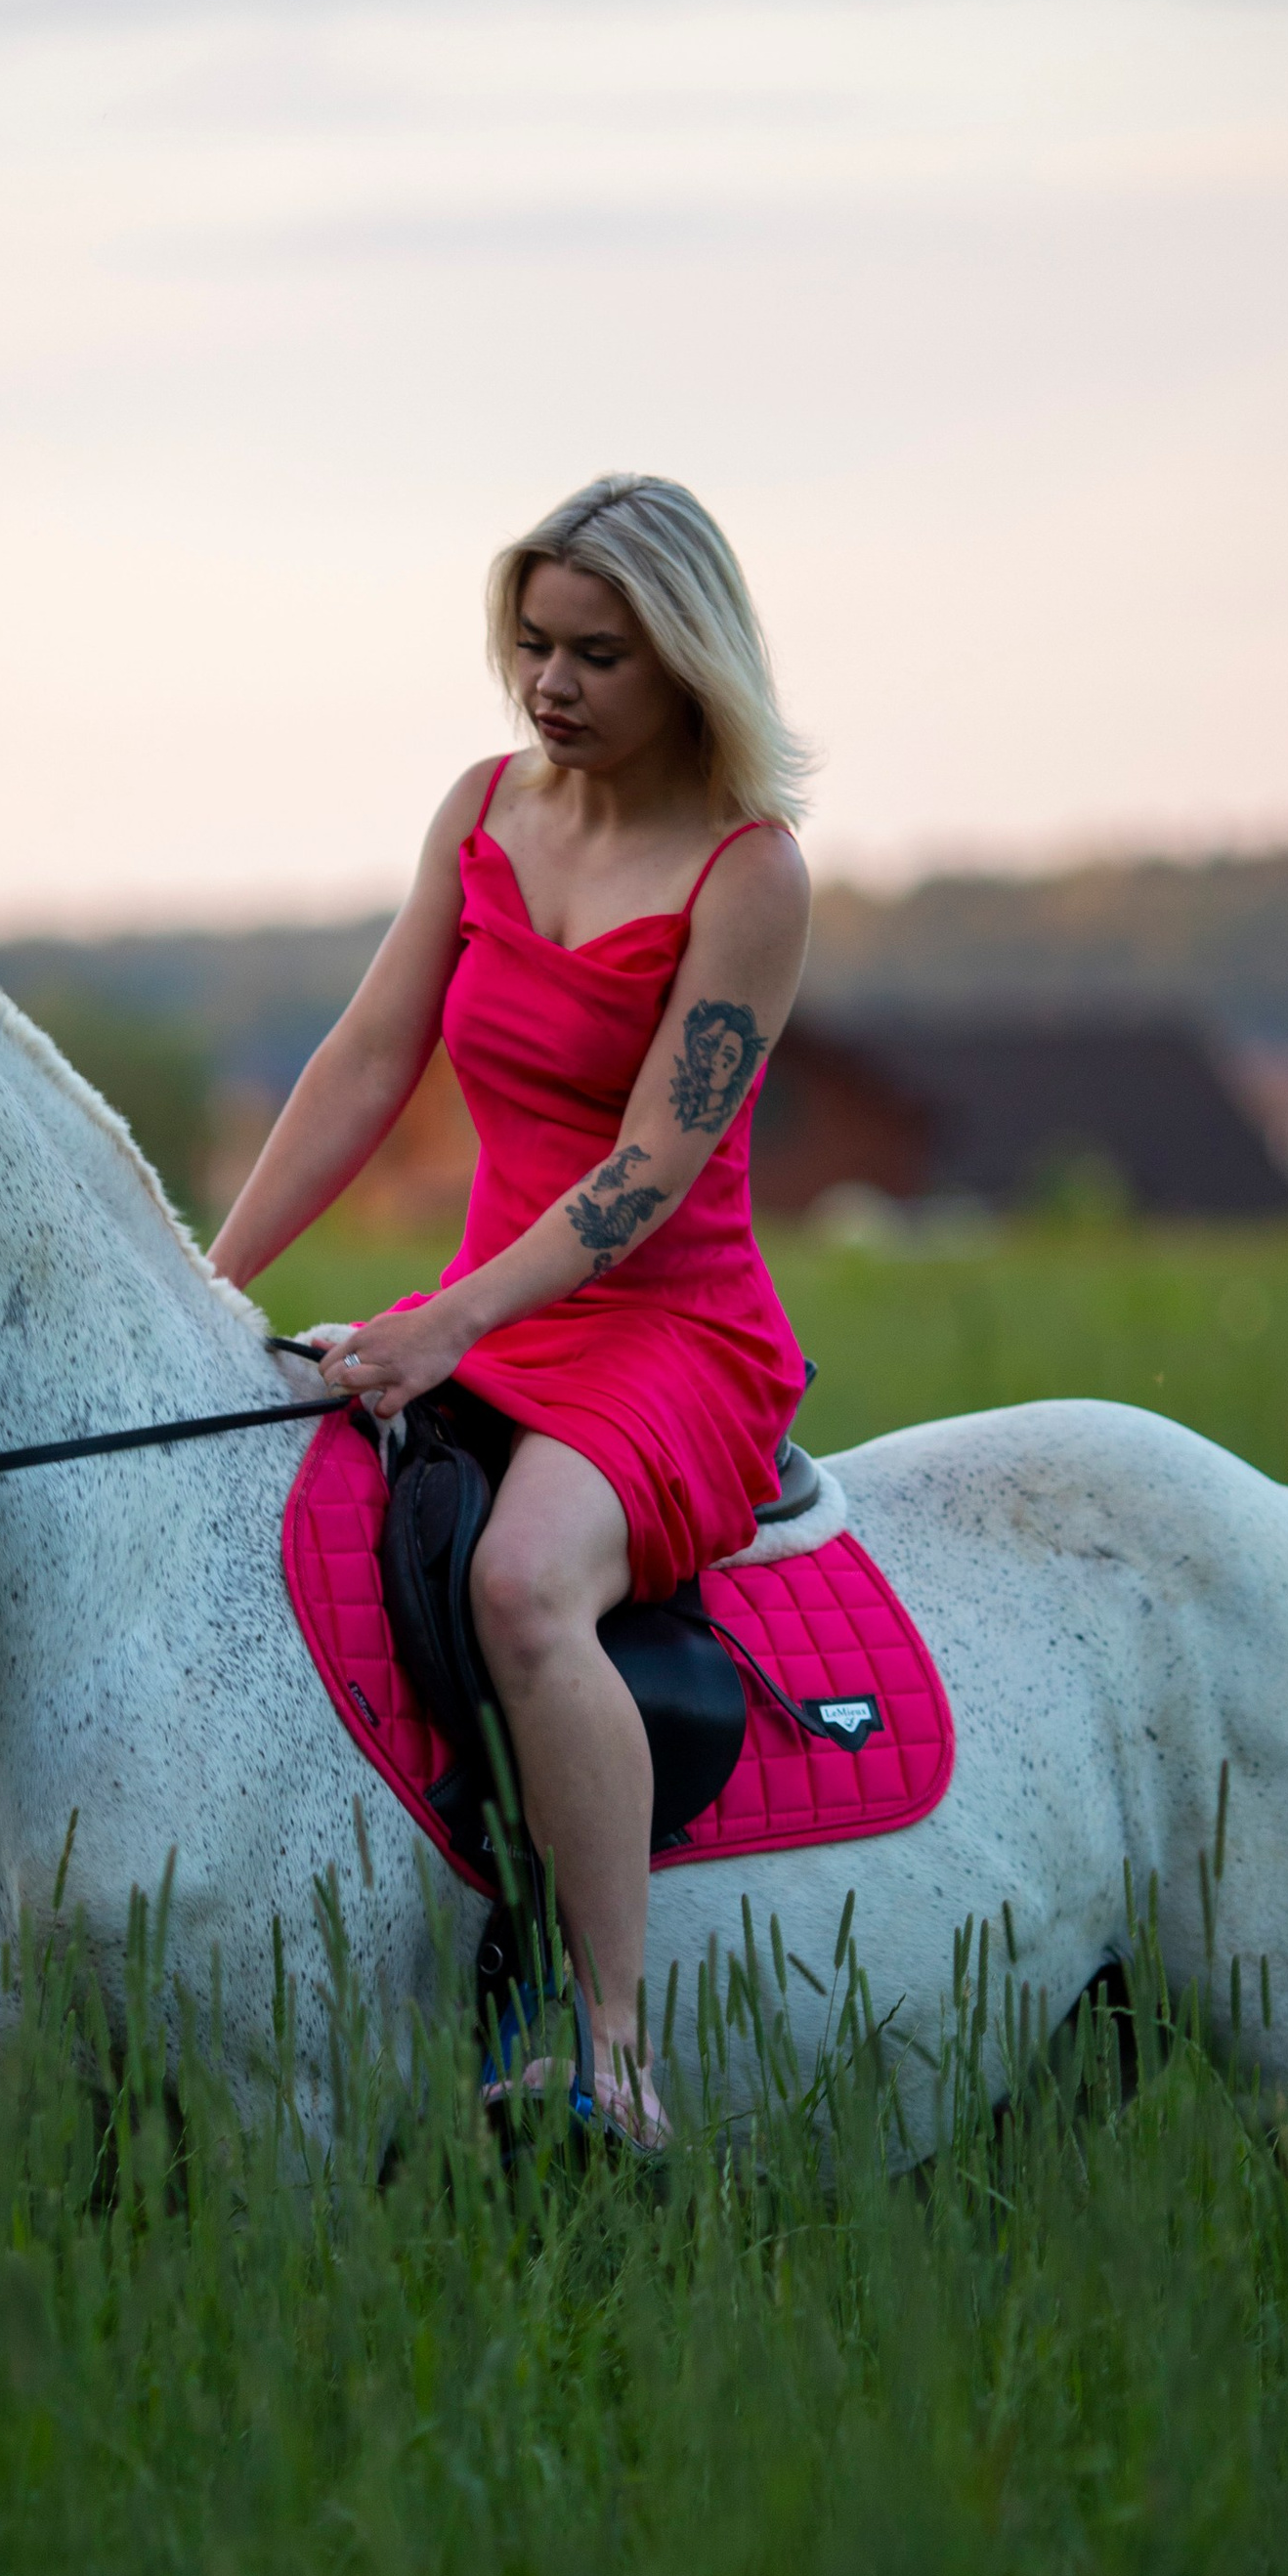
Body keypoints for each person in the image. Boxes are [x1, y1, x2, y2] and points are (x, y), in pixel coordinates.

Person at [208, 475, 814, 2145]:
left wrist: (448, 1326)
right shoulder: (481, 809)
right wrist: (214, 1278)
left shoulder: (749, 875)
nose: (551, 686)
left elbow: (648, 1174)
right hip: (490, 1301)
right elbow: (367, 1061)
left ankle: (610, 2060)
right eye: (532, 645)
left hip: (674, 1332)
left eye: (598, 655)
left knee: (527, 1583)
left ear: (688, 660)